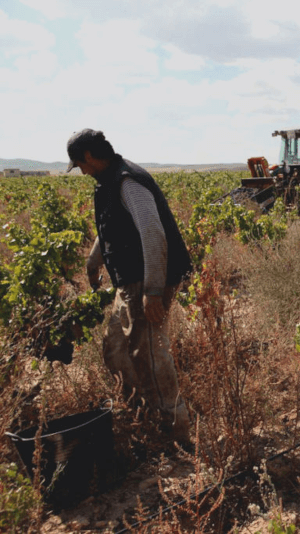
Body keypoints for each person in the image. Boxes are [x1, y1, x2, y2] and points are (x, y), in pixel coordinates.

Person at [66, 129, 194, 446]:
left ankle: (175, 430)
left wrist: (153, 291)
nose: (81, 171)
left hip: (146, 280)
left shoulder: (127, 181)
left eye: (79, 164)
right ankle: (142, 412)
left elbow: (152, 233)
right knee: (115, 349)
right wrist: (93, 263)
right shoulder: (109, 182)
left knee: (149, 353)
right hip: (129, 282)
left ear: (89, 156)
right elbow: (110, 228)